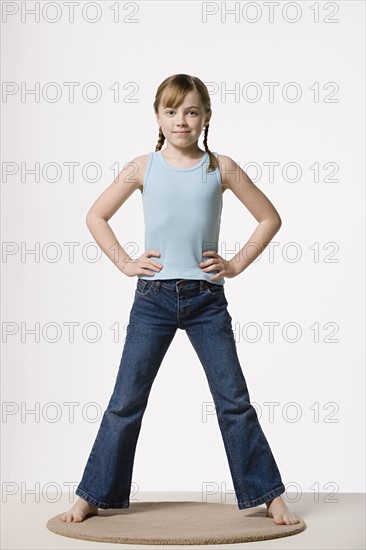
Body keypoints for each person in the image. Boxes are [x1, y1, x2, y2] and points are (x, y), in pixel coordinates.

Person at [60, 74, 301, 526]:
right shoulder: (142, 167)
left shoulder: (221, 167)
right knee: (125, 400)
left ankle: (268, 495)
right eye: (171, 111)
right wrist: (125, 262)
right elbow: (95, 215)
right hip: (152, 297)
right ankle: (92, 494)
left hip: (206, 299)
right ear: (157, 116)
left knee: (233, 400)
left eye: (191, 111)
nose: (181, 121)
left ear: (206, 117)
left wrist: (235, 264)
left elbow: (269, 217)